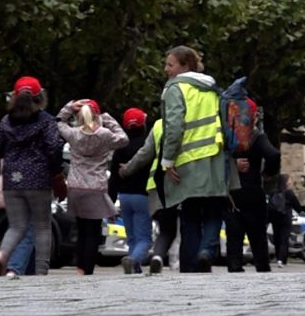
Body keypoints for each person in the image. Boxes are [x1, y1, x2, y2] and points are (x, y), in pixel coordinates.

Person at [159, 45, 238, 273]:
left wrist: (167, 160)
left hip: (189, 160)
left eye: (170, 64)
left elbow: (174, 127)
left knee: (191, 216)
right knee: (214, 212)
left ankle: (192, 264)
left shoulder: (176, 88)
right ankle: (207, 251)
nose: (166, 69)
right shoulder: (212, 88)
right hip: (215, 158)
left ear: (184, 66)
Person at [0, 76, 65, 276]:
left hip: (12, 180)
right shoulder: (46, 121)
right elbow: (54, 147)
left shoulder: (6, 122)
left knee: (16, 226)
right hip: (38, 180)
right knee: (42, 227)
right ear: (40, 98)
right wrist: (56, 172)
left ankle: (1, 256)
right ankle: (41, 271)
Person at [58, 99, 128, 275]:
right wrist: (109, 118)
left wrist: (68, 108)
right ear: (97, 115)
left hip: (75, 186)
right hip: (96, 187)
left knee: (81, 229)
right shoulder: (105, 134)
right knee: (93, 231)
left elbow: (58, 122)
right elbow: (124, 139)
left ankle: (80, 266)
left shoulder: (73, 134)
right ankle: (88, 268)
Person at [223, 98, 279, 273]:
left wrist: (232, 164)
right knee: (258, 238)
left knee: (234, 237)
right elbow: (273, 155)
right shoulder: (256, 136)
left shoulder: (227, 136)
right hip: (253, 192)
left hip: (232, 194)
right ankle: (262, 271)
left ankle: (235, 270)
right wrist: (269, 173)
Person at [119, 118, 177, 275]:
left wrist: (126, 170)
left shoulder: (157, 125)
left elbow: (143, 155)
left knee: (133, 236)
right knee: (146, 237)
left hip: (137, 192)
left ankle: (136, 262)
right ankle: (137, 259)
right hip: (149, 193)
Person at [108, 107, 152, 274]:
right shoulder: (147, 147)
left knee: (132, 236)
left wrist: (110, 202)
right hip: (142, 196)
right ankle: (134, 260)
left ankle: (134, 267)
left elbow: (113, 179)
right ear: (143, 125)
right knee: (145, 239)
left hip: (124, 196)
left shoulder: (120, 149)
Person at [268, 173, 303, 268]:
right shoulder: (289, 193)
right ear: (286, 182)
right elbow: (297, 205)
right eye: (289, 180)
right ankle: (282, 259)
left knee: (277, 238)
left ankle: (278, 257)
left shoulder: (273, 192)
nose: (291, 182)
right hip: (285, 217)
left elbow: (270, 206)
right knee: (284, 238)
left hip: (275, 218)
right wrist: (300, 212)